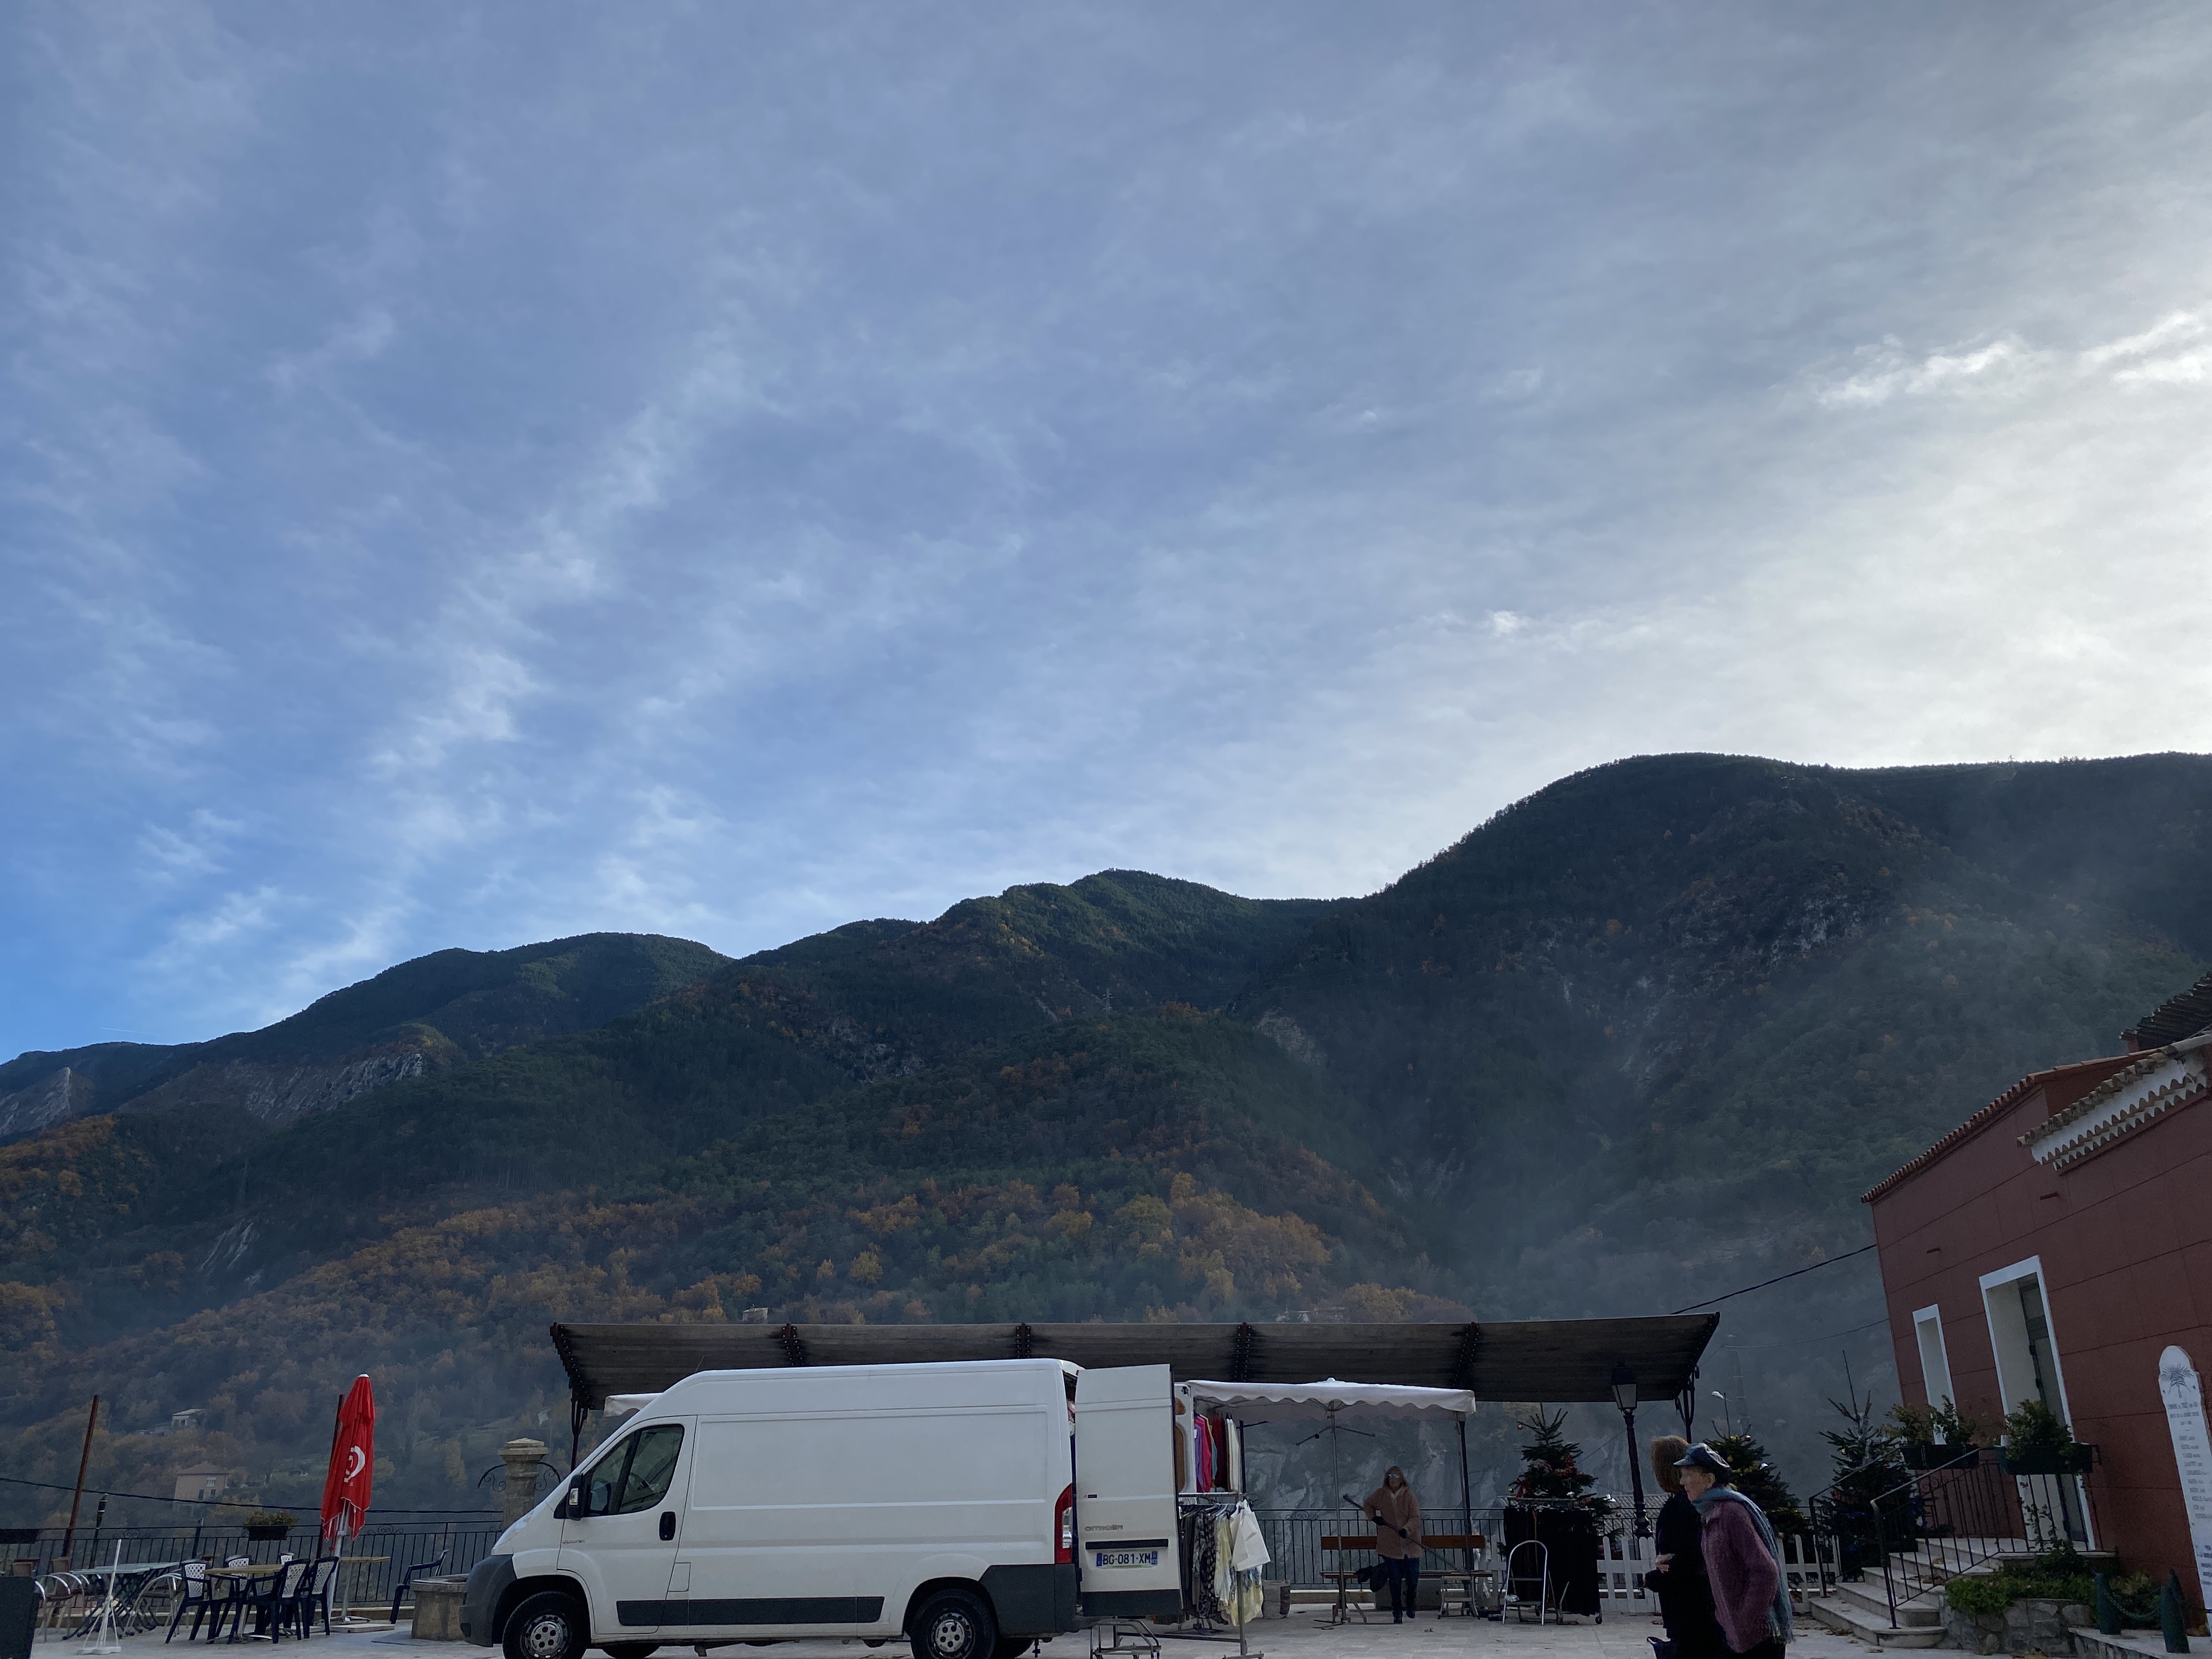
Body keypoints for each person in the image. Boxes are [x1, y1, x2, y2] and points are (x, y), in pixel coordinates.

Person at [1675, 1443, 1792, 1659]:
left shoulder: (1730, 1512)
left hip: (1757, 1638)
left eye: (1688, 1475)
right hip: (1736, 1635)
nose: (1682, 1482)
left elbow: (1765, 1570)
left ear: (1709, 1480)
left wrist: (1745, 1620)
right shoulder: (1710, 1512)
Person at [1646, 1434, 1726, 1659]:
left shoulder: (1683, 1506)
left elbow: (1692, 1554)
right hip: (1695, 1603)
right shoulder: (1687, 1503)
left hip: (1691, 1604)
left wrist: (1657, 1577)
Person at [1361, 1466, 1424, 1623]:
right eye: (1390, 1476)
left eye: (1396, 1476)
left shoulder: (1409, 1496)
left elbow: (1415, 1517)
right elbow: (1368, 1504)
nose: (1393, 1479)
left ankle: (1411, 1604)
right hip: (1390, 1544)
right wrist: (1374, 1518)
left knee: (1412, 1579)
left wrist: (1406, 1529)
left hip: (1410, 1545)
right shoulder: (1381, 1494)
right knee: (1395, 1580)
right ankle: (1397, 1612)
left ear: (1401, 1479)